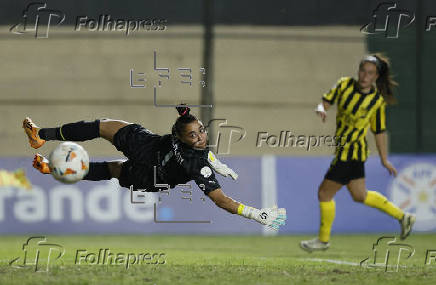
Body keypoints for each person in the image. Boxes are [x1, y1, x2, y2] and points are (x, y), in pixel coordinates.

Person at [23, 105, 286, 230]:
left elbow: (221, 199)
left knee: (112, 167)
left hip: (151, 169)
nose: (201, 137)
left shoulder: (192, 154)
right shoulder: (195, 158)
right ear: (179, 136)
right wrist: (217, 163)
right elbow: (218, 189)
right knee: (102, 127)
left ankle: (50, 159)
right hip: (148, 150)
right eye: (194, 134)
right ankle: (41, 136)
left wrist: (256, 214)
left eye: (201, 132)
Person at [300, 54, 415, 252]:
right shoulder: (344, 85)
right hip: (348, 153)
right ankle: (403, 217)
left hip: (351, 154)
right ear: (359, 70)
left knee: (324, 193)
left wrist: (384, 159)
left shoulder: (376, 101)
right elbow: (325, 101)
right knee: (360, 195)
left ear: (376, 76)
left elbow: (379, 131)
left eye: (370, 73)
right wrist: (321, 109)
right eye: (363, 70)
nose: (364, 76)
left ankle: (323, 240)